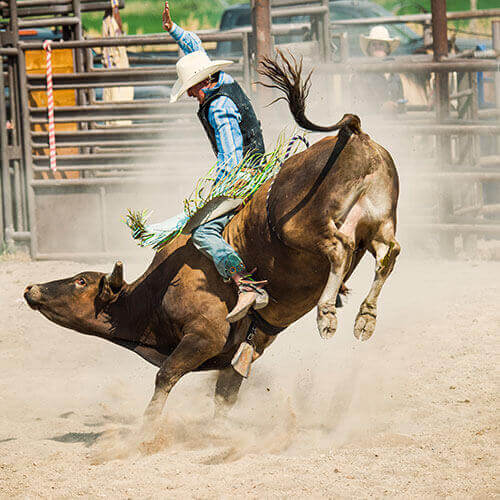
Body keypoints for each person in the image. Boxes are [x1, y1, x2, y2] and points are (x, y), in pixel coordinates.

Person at [162, 1, 268, 323]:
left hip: (245, 174)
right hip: (258, 163)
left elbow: (231, 158)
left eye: (192, 89)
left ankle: (244, 283)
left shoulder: (218, 107)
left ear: (203, 83)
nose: (192, 95)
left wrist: (211, 192)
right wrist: (174, 30)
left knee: (202, 233)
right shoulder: (220, 79)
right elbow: (194, 47)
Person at [350, 25, 405, 114]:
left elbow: (401, 103)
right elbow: (358, 105)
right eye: (374, 44)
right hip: (372, 123)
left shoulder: (394, 74)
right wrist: (381, 107)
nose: (377, 47)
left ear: (387, 49)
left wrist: (399, 106)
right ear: (369, 49)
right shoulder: (360, 75)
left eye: (381, 44)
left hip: (394, 122)